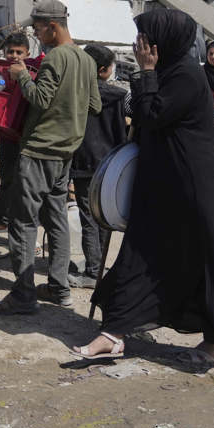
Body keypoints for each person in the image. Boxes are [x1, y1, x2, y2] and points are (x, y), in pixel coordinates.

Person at [73, 8, 214, 366]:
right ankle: (112, 334)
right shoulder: (167, 72)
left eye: (146, 38)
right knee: (139, 254)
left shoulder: (187, 76)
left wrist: (145, 73)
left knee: (201, 260)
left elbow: (152, 114)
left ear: (164, 40)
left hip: (190, 186)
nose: (140, 45)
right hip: (159, 184)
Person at [0, 0, 101, 314]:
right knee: (57, 220)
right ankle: (59, 287)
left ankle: (23, 296)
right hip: (65, 153)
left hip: (39, 151)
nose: (36, 34)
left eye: (38, 28)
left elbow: (39, 98)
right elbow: (95, 106)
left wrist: (23, 74)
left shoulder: (55, 59)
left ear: (52, 26)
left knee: (23, 223)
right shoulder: (86, 59)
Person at [69, 44, 128, 289]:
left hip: (84, 162)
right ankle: (98, 265)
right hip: (111, 164)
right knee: (103, 216)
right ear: (104, 70)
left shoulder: (76, 93)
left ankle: (93, 271)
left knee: (88, 216)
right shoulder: (118, 96)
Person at [0, 31, 32, 233]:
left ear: (27, 53)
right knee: (7, 179)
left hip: (27, 136)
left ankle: (23, 222)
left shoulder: (33, 71)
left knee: (25, 181)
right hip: (7, 136)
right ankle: (3, 220)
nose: (14, 56)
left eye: (19, 52)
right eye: (10, 52)